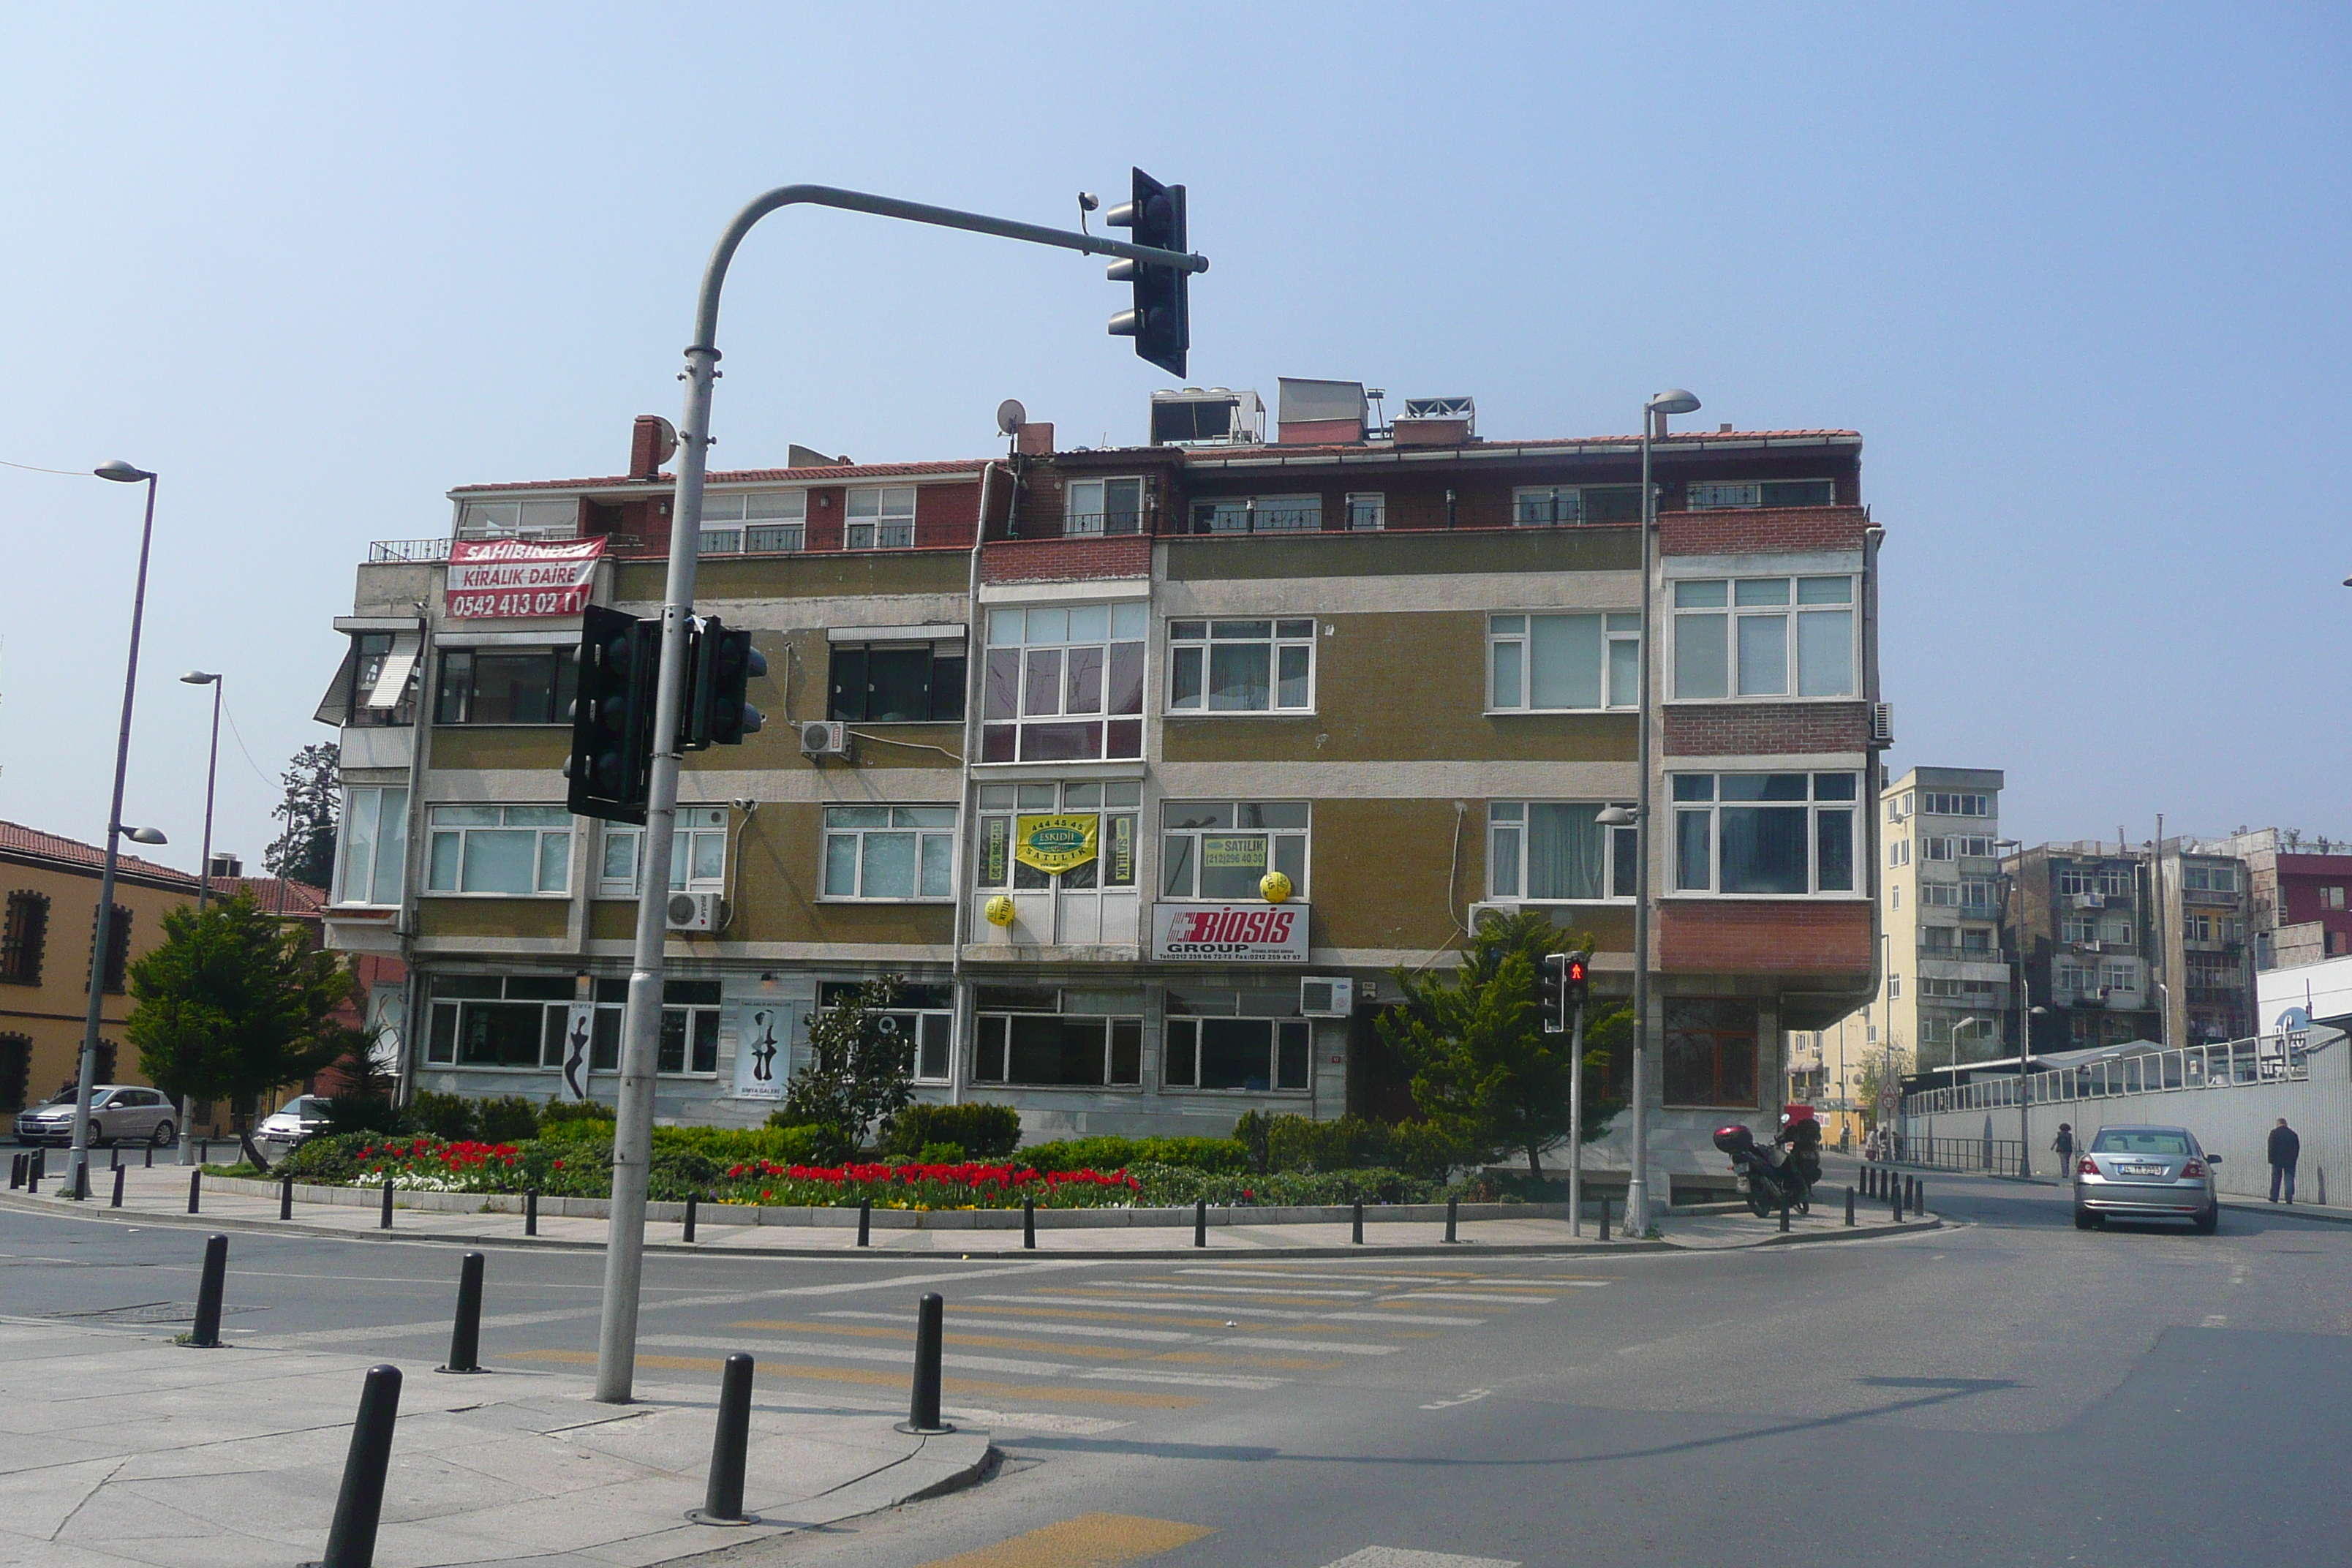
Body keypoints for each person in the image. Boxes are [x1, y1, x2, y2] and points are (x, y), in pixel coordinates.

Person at [2268, 1117, 2301, 1204]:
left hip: (2277, 1160)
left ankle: (2274, 1197)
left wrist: (2271, 1159)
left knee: (2276, 1179)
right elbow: (2297, 1148)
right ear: (2286, 1124)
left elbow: (2271, 1147)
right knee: (2289, 1179)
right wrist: (2295, 1158)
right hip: (2290, 1161)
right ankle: (2289, 1198)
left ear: (2278, 1124)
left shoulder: (2274, 1133)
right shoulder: (2293, 1134)